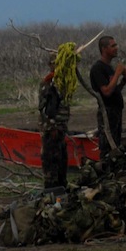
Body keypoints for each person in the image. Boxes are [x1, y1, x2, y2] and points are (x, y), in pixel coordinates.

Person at [89, 35, 126, 151]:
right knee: (108, 145)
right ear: (104, 49)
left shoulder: (109, 67)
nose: (116, 48)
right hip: (107, 112)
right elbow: (106, 92)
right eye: (113, 46)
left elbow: (113, 91)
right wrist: (117, 73)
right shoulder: (98, 68)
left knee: (116, 144)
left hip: (116, 111)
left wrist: (124, 80)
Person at [38, 55, 70, 188]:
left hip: (61, 128)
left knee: (62, 160)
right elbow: (46, 108)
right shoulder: (49, 82)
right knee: (51, 161)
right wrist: (52, 127)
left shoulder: (62, 81)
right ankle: (52, 190)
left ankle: (61, 187)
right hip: (52, 128)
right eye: (55, 64)